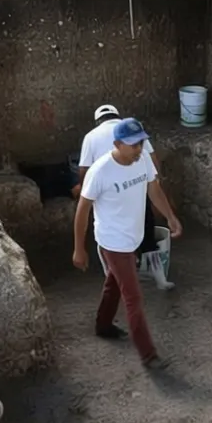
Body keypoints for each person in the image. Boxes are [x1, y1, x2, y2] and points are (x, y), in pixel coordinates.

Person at [73, 118, 183, 370]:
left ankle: (102, 325)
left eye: (141, 143)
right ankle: (148, 355)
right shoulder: (100, 171)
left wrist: (170, 217)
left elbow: (154, 190)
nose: (139, 149)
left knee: (114, 282)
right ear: (117, 144)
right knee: (133, 297)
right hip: (113, 242)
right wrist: (79, 248)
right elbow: (82, 211)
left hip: (132, 236)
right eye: (133, 145)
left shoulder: (142, 160)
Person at [74, 104, 175, 291]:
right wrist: (156, 183)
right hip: (137, 189)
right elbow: (152, 159)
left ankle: (115, 275)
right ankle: (159, 278)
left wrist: (86, 190)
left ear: (98, 121)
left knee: (107, 238)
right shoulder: (134, 131)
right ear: (117, 116)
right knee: (147, 234)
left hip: (109, 195)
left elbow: (83, 171)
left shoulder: (91, 136)